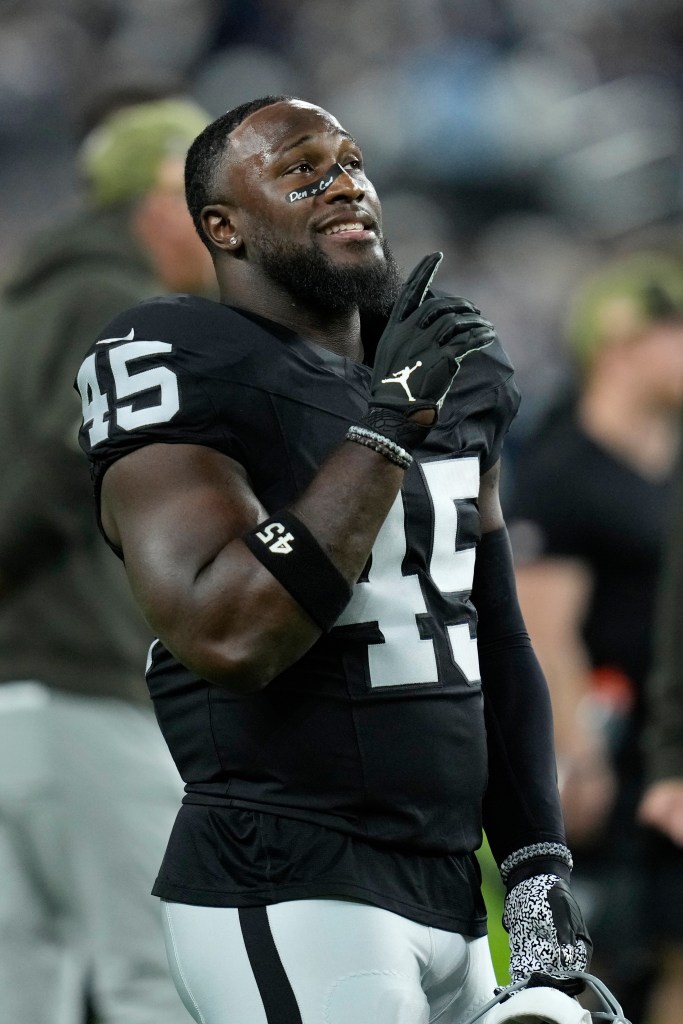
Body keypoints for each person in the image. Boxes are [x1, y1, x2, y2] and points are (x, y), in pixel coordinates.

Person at [75, 94, 591, 1024]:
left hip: (448, 895)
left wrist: (533, 865)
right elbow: (228, 631)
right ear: (221, 227)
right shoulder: (181, 357)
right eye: (301, 169)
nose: (343, 183)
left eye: (351, 162)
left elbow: (493, 640)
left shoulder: (443, 366)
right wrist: (385, 426)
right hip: (289, 875)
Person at [0, 93, 212, 1023]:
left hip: (14, 694)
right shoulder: (126, 307)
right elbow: (60, 466)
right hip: (85, 678)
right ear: (158, 204)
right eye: (209, 207)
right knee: (153, 970)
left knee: (23, 982)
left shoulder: (18, 303)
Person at [503, 250, 683, 1024]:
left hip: (667, 733)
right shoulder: (561, 466)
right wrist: (572, 755)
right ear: (619, 338)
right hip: (612, 746)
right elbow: (544, 628)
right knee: (604, 954)